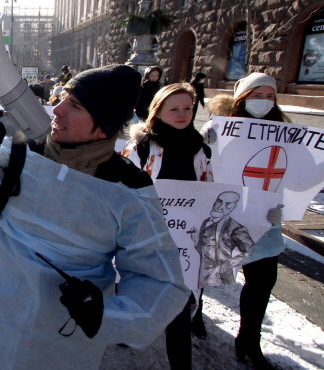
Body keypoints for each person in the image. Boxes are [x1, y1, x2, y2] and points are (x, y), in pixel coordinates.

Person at [0, 64, 189, 369]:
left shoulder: (130, 190)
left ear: (104, 126)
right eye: (63, 99)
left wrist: (107, 315)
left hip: (59, 337)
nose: (56, 110)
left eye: (75, 105)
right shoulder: (20, 150)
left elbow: (161, 281)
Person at [122, 82, 213, 370]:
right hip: (145, 237)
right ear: (157, 111)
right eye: (174, 108)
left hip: (185, 241)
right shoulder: (142, 147)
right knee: (140, 291)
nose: (182, 113)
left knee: (180, 306)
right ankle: (129, 328)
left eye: (187, 108)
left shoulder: (201, 150)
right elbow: (120, 189)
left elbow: (209, 192)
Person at [201, 72, 287, 369]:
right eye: (256, 95)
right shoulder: (219, 128)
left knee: (261, 282)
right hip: (222, 213)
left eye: (270, 96)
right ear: (241, 98)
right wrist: (205, 143)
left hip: (264, 220)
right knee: (202, 268)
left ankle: (249, 340)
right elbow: (201, 165)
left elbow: (293, 174)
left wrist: (282, 206)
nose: (264, 101)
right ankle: (193, 312)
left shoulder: (285, 131)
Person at [191, 191, 254, 286]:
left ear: (233, 208)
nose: (220, 207)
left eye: (227, 204)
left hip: (219, 279)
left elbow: (251, 251)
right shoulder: (206, 222)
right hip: (200, 276)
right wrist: (196, 240)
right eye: (219, 201)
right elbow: (204, 251)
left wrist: (228, 264)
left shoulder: (236, 227)